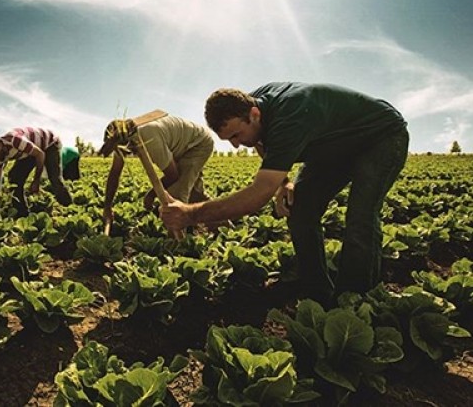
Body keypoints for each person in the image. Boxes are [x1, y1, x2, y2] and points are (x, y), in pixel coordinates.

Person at [160, 82, 409, 304]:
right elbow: (260, 142)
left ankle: (356, 300)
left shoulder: (291, 116)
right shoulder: (254, 107)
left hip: (380, 137)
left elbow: (259, 194)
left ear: (254, 114)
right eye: (228, 140)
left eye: (237, 135)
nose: (236, 144)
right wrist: (284, 183)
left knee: (361, 215)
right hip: (331, 146)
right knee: (300, 210)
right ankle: (317, 294)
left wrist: (191, 214)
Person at [99, 114, 214, 232]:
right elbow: (115, 173)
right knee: (196, 194)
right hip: (183, 145)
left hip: (197, 144)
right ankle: (223, 225)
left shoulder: (148, 139)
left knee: (176, 194)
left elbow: (173, 175)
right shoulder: (123, 139)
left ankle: (176, 244)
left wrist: (151, 195)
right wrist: (107, 207)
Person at [0, 127, 73, 217]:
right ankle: (22, 214)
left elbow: (40, 154)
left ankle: (69, 208)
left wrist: (36, 181)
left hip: (49, 143)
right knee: (14, 178)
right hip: (30, 151)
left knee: (54, 178)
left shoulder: (15, 140)